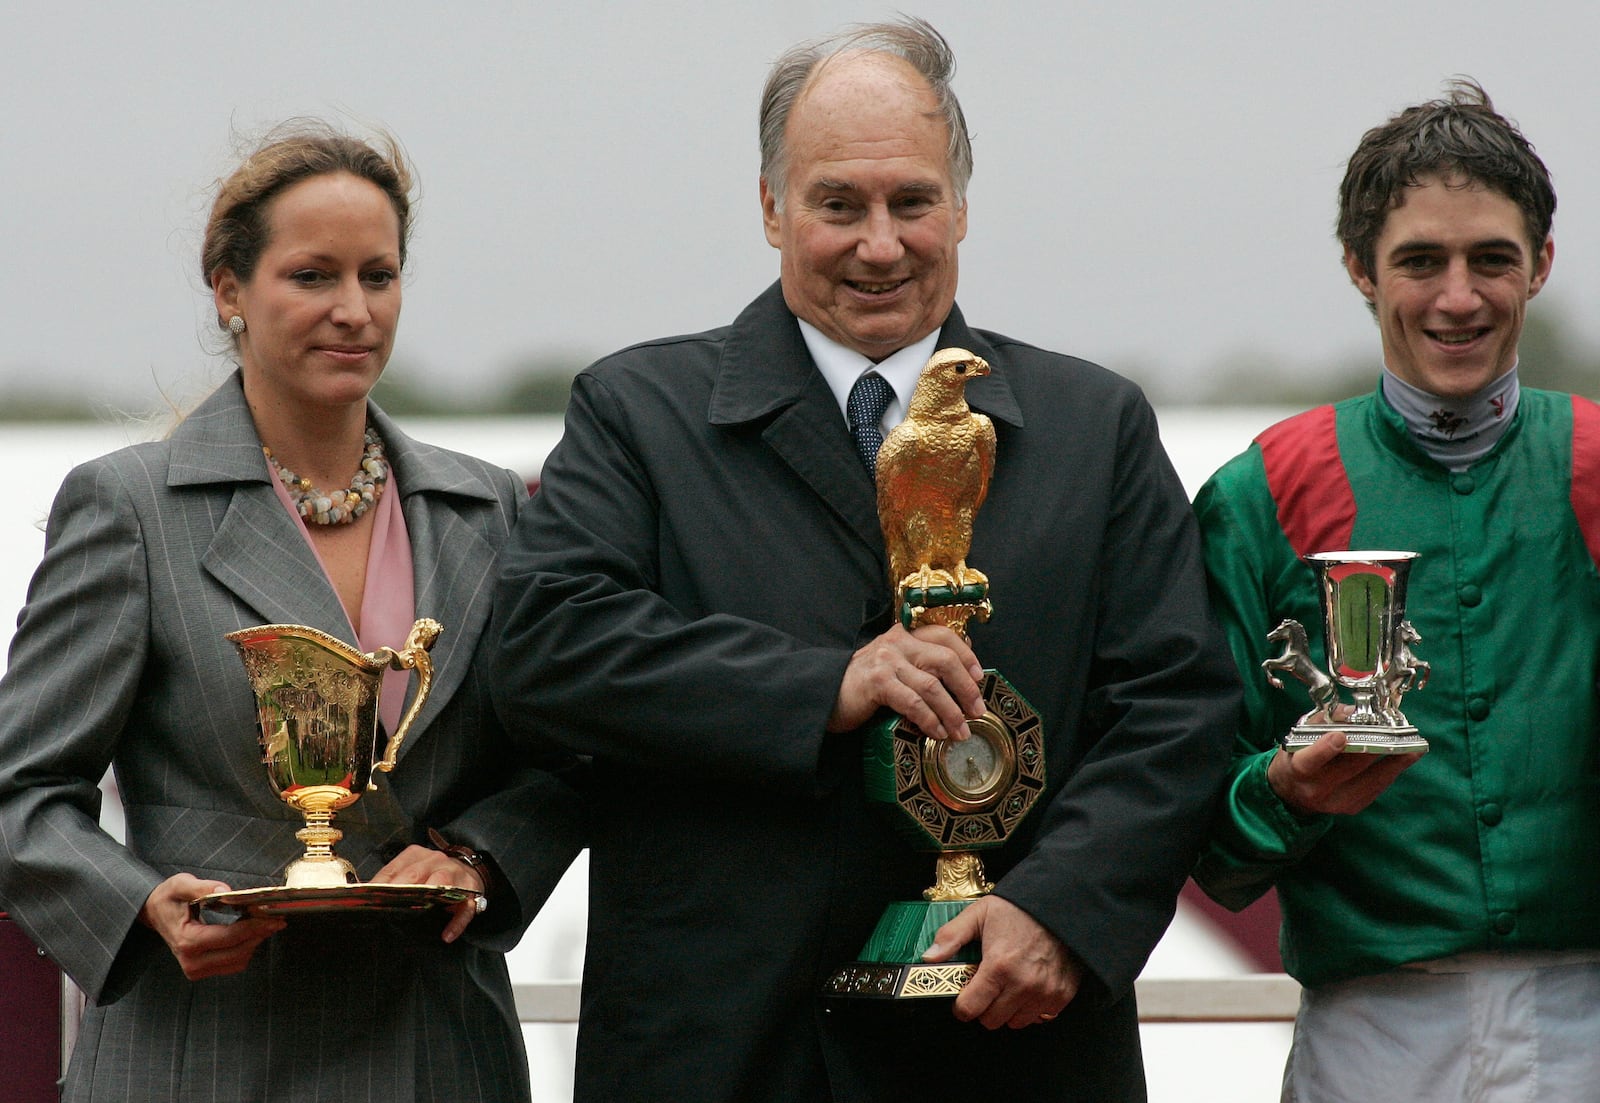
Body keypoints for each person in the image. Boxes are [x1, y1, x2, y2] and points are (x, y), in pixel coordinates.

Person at [490, 18, 1239, 1102]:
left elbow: (1177, 707)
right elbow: (545, 647)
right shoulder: (637, 415)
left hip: (1015, 1045)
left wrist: (1064, 907)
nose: (879, 243)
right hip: (720, 1051)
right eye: (837, 203)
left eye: (911, 202)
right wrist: (822, 685)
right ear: (769, 208)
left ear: (962, 207)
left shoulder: (1098, 427)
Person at [0, 123, 582, 1102]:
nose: (353, 310)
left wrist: (482, 856)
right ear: (228, 291)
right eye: (313, 276)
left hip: (438, 1053)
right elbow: (20, 791)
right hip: (202, 1055)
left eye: (379, 276)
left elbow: (566, 751)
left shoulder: (488, 509)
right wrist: (142, 905)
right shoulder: (130, 508)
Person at [1192, 81, 1600, 1100]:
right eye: (1421, 260)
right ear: (1359, 269)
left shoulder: (1595, 462)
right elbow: (1197, 822)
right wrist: (1281, 795)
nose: (1455, 298)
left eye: (1489, 260)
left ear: (1539, 265)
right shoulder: (1262, 492)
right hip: (1367, 1024)